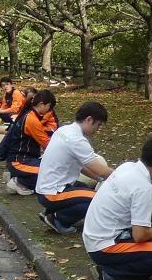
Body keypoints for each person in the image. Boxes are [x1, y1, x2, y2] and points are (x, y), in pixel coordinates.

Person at [82, 136, 152, 280]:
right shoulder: (142, 187)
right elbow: (140, 235)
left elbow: (146, 205)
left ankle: (126, 268)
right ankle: (112, 275)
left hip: (95, 239)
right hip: (105, 247)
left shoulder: (128, 167)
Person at [36, 101, 112, 235]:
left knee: (84, 188)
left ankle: (52, 211)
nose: (98, 129)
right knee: (99, 199)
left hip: (46, 187)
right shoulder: (76, 140)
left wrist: (98, 179)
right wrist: (124, 178)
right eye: (98, 125)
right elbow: (101, 170)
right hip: (53, 192)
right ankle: (57, 219)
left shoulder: (64, 130)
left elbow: (82, 165)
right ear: (89, 120)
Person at [3, 90, 60, 195]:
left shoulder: (29, 113)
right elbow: (46, 143)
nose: (50, 110)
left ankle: (15, 176)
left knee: (53, 172)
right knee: (53, 176)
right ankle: (19, 181)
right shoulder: (31, 119)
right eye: (49, 107)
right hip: (19, 162)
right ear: (41, 104)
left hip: (23, 159)